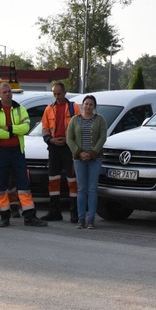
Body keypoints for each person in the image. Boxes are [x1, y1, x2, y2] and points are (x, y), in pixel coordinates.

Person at [0, 82, 47, 227]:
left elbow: (26, 127)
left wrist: (7, 129)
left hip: (17, 151)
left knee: (24, 184)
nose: (8, 94)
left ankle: (29, 216)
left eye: (9, 92)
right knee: (1, 185)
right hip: (0, 152)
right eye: (5, 92)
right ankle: (4, 217)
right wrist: (14, 131)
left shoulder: (20, 109)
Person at [41, 82, 81, 222]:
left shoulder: (73, 107)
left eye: (59, 93)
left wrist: (67, 139)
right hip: (54, 148)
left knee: (72, 180)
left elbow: (79, 126)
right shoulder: (48, 109)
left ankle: (74, 212)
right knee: (53, 180)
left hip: (68, 148)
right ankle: (54, 211)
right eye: (54, 94)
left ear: (65, 92)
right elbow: (45, 129)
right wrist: (50, 140)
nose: (57, 96)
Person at [66, 95, 107, 229]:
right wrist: (79, 152)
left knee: (92, 189)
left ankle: (91, 219)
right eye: (86, 104)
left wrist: (92, 153)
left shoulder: (100, 120)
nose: (88, 106)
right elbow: (69, 138)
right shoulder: (74, 120)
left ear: (94, 106)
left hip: (95, 159)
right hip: (79, 159)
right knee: (81, 189)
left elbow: (102, 137)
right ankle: (81, 219)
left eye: (91, 104)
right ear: (82, 105)